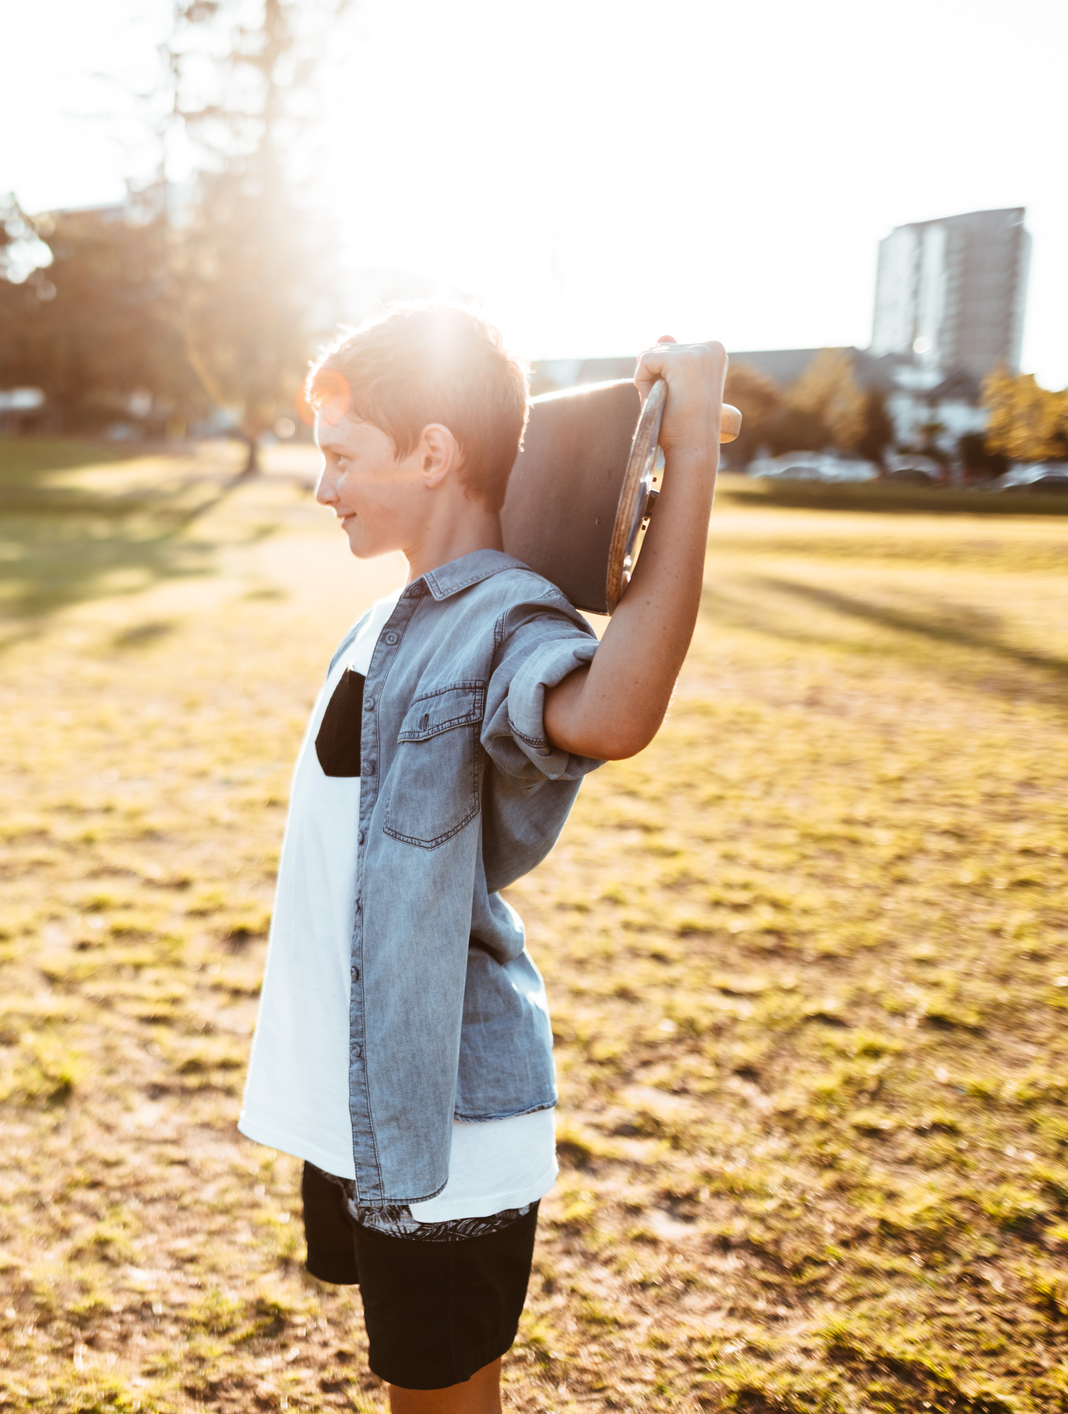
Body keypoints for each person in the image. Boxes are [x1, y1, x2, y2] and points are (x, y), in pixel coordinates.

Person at [235, 305, 726, 1412]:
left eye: (340, 456)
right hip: (367, 1092)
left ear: (433, 452)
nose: (322, 487)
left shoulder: (506, 616)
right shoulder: (390, 617)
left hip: (450, 1113)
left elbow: (613, 710)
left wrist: (688, 447)